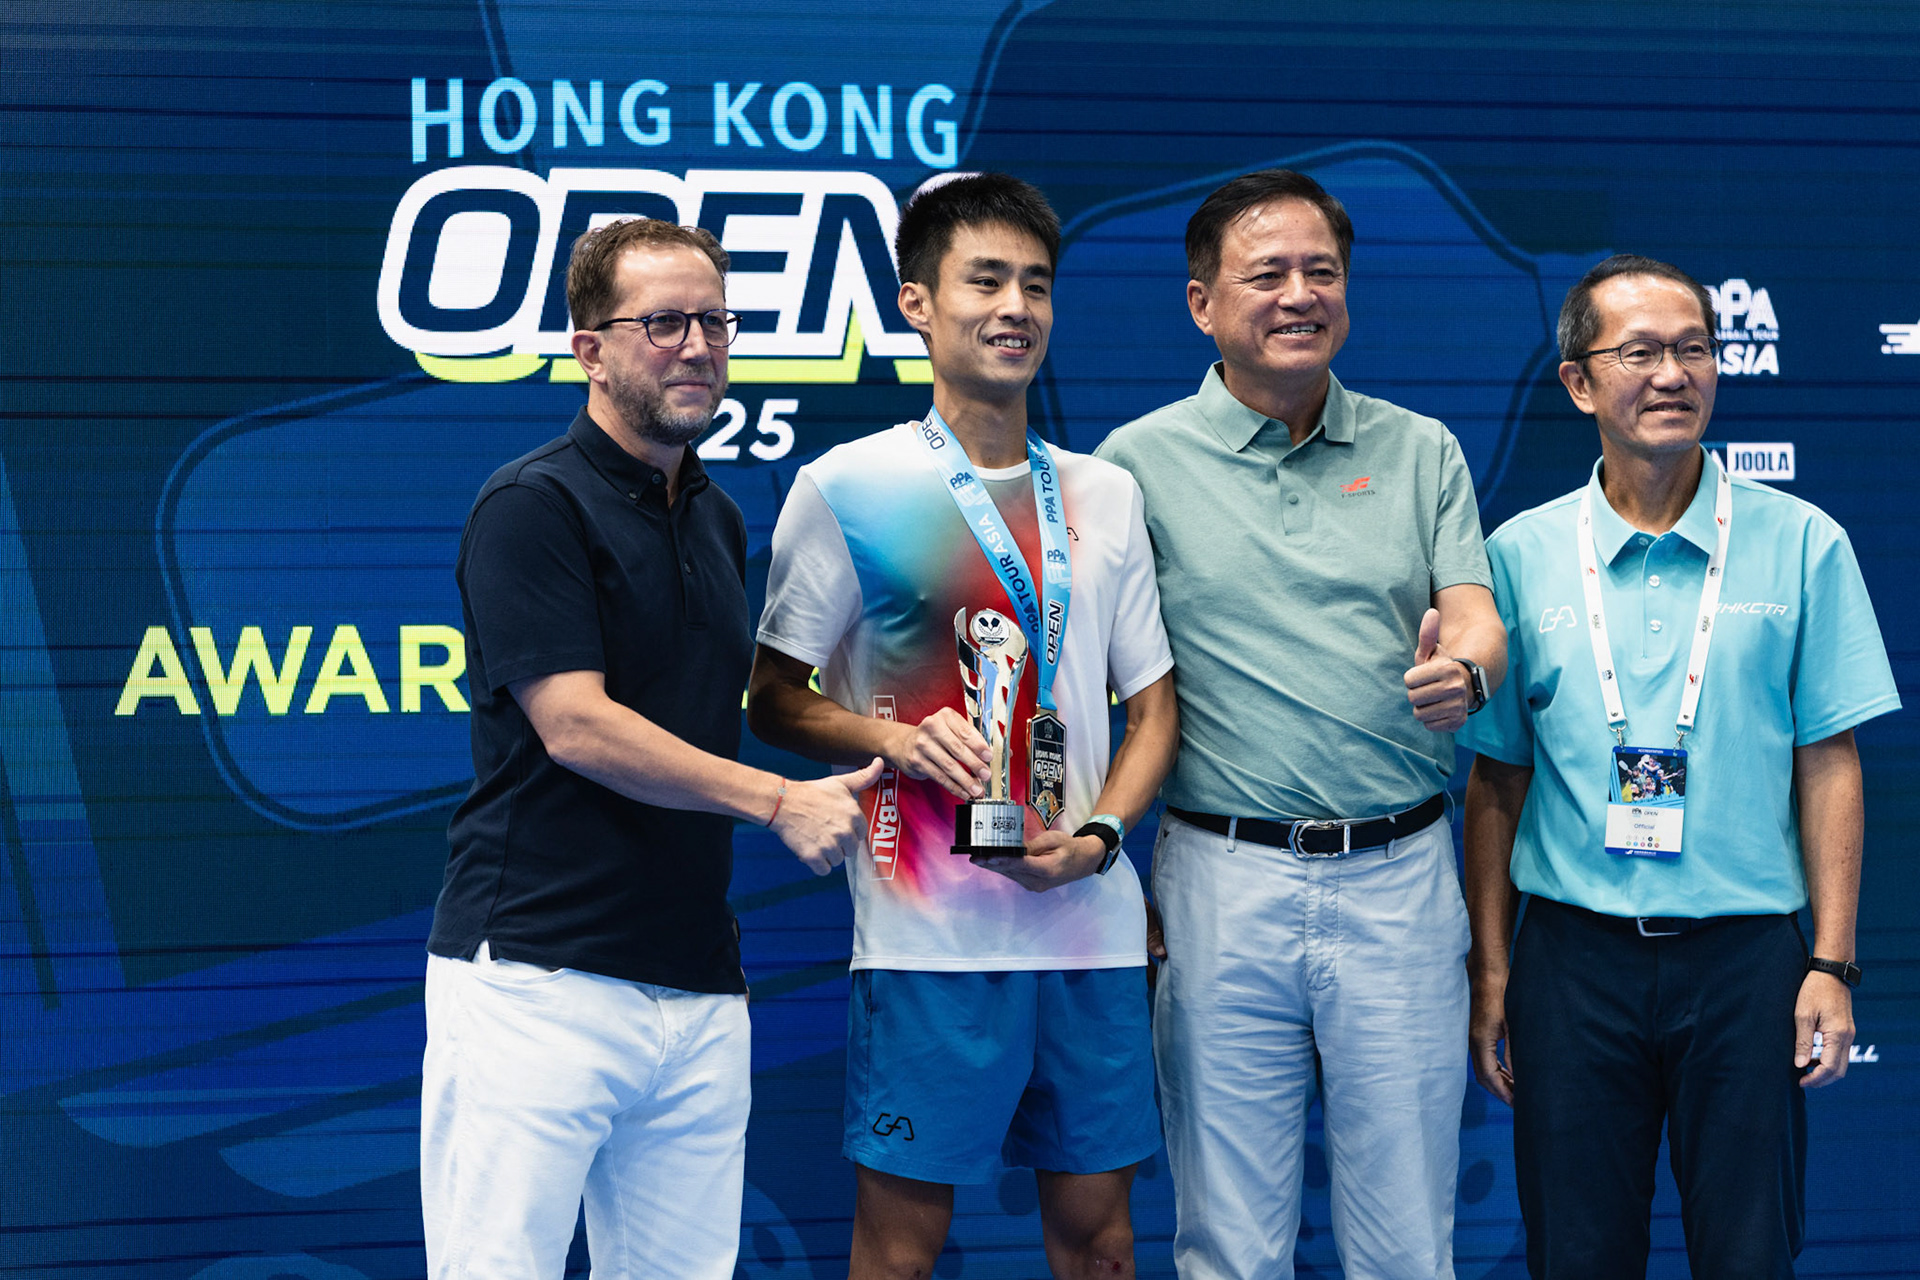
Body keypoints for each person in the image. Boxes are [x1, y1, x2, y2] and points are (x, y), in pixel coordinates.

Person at [420, 217, 878, 1280]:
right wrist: (778, 800)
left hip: (697, 987)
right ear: (589, 347)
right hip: (537, 976)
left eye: (714, 320)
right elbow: (574, 722)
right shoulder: (529, 504)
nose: (697, 344)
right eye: (662, 321)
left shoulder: (717, 516)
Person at [747, 173, 1178, 1280]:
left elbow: (1153, 710)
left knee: (1104, 1243)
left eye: (1036, 284)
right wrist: (891, 737)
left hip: (1088, 928)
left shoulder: (1106, 492)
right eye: (984, 280)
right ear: (916, 303)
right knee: (900, 1251)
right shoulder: (849, 486)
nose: (1016, 308)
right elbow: (772, 697)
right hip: (925, 939)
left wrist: (1098, 841)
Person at [1094, 168, 1508, 1279]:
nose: (1297, 294)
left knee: (1409, 1239)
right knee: (1229, 1239)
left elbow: (1472, 609)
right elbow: (1102, 688)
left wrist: (1465, 667)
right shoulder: (1132, 467)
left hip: (1401, 877)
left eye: (1320, 271)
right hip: (1222, 878)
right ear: (1201, 304)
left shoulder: (1420, 449)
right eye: (1265, 272)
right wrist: (1106, 870)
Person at [1459, 254, 1899, 1277]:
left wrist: (1830, 962)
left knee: (1750, 1252)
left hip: (1747, 961)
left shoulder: (1803, 542)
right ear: (1578, 382)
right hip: (1571, 962)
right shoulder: (1518, 555)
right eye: (1640, 352)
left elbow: (1829, 762)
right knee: (1575, 1251)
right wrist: (1494, 970)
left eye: (1693, 349)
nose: (1672, 373)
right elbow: (1495, 782)